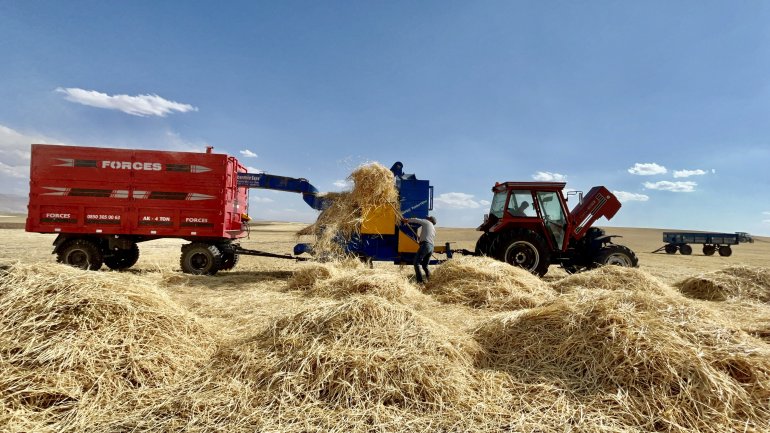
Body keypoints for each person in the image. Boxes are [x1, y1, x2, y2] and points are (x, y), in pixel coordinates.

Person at [402, 216, 436, 284]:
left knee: (416, 263)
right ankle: (431, 280)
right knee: (425, 265)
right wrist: (421, 239)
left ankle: (420, 282)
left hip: (426, 245)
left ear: (430, 220)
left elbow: (417, 220)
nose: (426, 218)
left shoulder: (427, 222)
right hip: (431, 247)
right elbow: (428, 236)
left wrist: (407, 220)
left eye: (428, 218)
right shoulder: (433, 229)